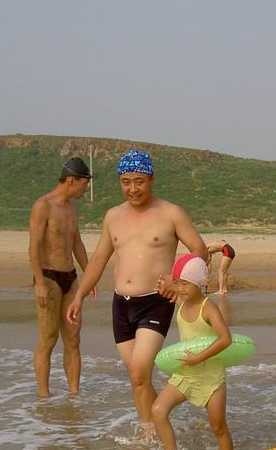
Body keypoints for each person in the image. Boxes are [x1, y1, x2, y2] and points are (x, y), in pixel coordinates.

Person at [66, 150, 207, 435]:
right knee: (137, 378)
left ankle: (157, 427)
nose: (133, 188)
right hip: (121, 304)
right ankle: (152, 432)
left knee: (140, 372)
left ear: (151, 179)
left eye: (139, 181)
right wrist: (79, 295)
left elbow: (199, 250)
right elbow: (98, 260)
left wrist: (175, 278)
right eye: (126, 181)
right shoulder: (113, 216)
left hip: (156, 301)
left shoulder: (171, 213)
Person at [151, 254, 234, 450]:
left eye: (185, 284)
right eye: (177, 283)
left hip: (210, 377)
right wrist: (164, 283)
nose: (179, 288)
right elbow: (167, 287)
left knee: (218, 427)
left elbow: (225, 339)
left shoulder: (208, 308)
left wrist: (199, 358)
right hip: (186, 373)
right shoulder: (180, 301)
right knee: (158, 410)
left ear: (200, 283)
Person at [28, 157, 96, 397]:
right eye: (84, 183)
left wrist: (90, 274)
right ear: (71, 180)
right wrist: (39, 283)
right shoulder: (43, 206)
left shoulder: (72, 207)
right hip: (48, 278)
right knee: (48, 339)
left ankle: (74, 395)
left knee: (73, 339)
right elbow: (33, 247)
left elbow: (76, 243)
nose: (86, 188)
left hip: (70, 277)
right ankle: (44, 397)